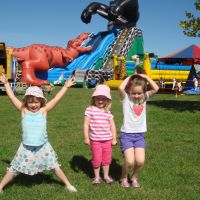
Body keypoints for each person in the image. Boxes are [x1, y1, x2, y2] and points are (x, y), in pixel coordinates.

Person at [0, 73, 77, 193]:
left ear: (41, 101)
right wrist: (5, 83)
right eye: (30, 102)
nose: (33, 105)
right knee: (14, 168)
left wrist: (65, 86)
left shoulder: (43, 110)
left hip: (43, 146)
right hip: (26, 147)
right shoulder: (23, 110)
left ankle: (67, 184)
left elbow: (56, 99)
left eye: (36, 102)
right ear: (26, 102)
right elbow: (12, 98)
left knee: (54, 166)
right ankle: (0, 187)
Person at [118, 74, 159, 188]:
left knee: (140, 161)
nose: (137, 96)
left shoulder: (144, 98)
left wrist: (146, 77)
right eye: (134, 93)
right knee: (130, 161)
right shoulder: (126, 99)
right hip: (126, 135)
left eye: (139, 93)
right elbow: (120, 88)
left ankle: (134, 177)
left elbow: (156, 88)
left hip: (139, 135)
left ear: (143, 92)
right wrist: (130, 77)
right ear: (129, 92)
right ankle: (124, 177)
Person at [84, 84, 117, 185]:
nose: (101, 101)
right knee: (97, 159)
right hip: (95, 140)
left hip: (108, 140)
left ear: (107, 100)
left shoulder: (108, 112)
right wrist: (86, 137)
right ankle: (97, 177)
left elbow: (112, 126)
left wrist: (114, 138)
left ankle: (106, 176)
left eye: (103, 99)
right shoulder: (90, 109)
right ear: (94, 98)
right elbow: (86, 124)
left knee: (106, 160)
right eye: (98, 98)